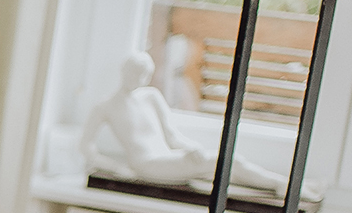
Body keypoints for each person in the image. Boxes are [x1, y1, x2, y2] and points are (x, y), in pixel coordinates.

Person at [81, 52, 294, 195]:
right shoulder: (105, 107)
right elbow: (85, 146)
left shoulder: (151, 97)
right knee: (226, 162)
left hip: (168, 158)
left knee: (224, 166)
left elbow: (172, 136)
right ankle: (280, 184)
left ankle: (280, 184)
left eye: (145, 74)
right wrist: (117, 169)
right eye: (136, 73)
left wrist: (192, 147)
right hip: (147, 166)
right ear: (124, 71)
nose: (140, 78)